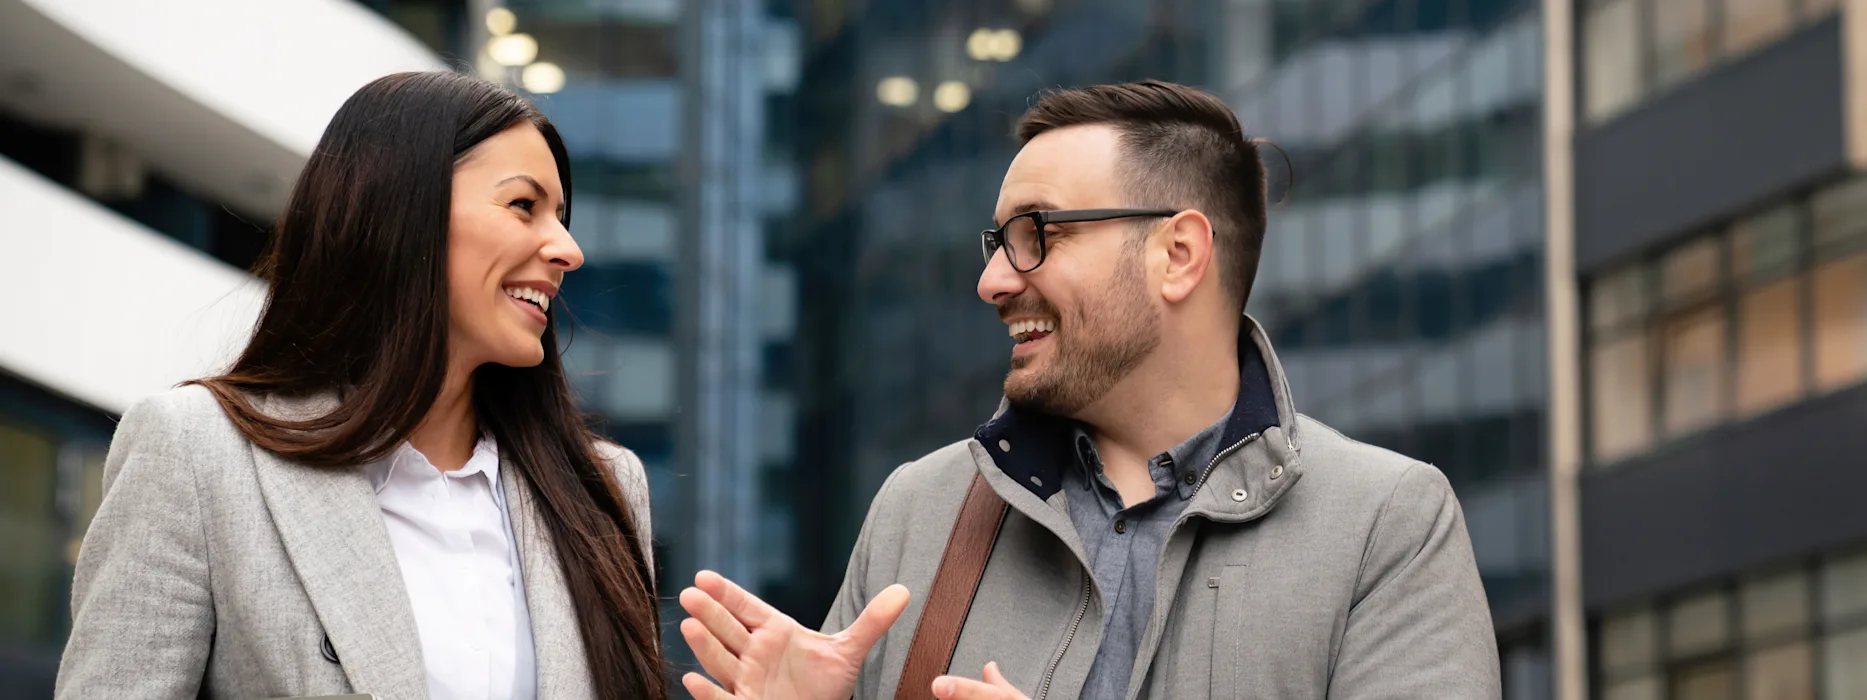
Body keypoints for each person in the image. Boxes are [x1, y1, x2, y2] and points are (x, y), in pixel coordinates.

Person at [676, 80, 1500, 700]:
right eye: (998, 241)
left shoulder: (1386, 523)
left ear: (1178, 255)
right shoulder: (920, 512)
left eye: (1036, 233)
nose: (993, 279)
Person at [54, 71, 670, 700]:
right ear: (403, 211)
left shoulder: (604, 490)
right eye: (523, 206)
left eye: (562, 218)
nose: (568, 249)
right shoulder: (196, 452)